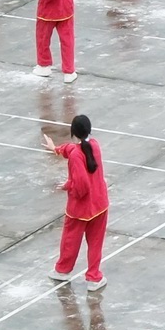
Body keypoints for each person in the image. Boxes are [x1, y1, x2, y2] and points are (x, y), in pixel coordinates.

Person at [51, 115, 112, 282]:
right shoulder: (95, 145)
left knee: (70, 240)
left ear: (73, 132)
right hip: (100, 203)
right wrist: (58, 149)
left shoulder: (76, 156)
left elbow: (81, 185)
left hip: (80, 208)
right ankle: (94, 277)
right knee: (96, 243)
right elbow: (73, 148)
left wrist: (67, 186)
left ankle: (62, 271)